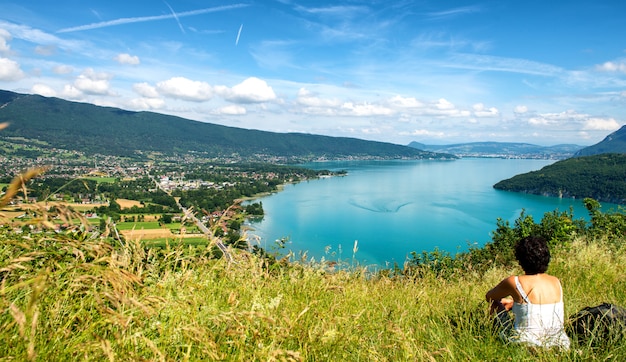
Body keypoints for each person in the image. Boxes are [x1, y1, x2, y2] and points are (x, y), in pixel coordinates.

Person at [485, 235, 570, 349]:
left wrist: (506, 303)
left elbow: (489, 297)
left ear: (521, 260)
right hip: (559, 344)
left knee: (495, 304)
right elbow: (539, 306)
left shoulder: (514, 282)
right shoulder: (556, 281)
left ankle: (496, 339)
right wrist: (513, 303)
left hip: (525, 344)